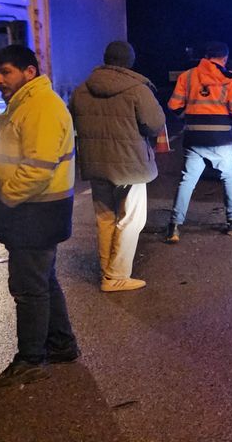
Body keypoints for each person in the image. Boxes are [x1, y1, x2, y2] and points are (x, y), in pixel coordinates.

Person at [0, 45, 79, 393]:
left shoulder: (40, 107)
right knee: (43, 280)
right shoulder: (27, 104)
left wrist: (5, 199)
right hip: (37, 209)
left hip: (34, 210)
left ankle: (30, 361)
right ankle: (61, 344)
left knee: (28, 288)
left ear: (29, 72)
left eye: (6, 72)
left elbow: (37, 169)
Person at [69, 41, 166, 292]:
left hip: (96, 162)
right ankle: (117, 275)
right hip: (130, 164)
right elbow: (155, 123)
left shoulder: (82, 90)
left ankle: (107, 271)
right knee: (131, 218)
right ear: (129, 62)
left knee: (105, 218)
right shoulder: (137, 89)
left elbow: (73, 122)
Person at [166, 41, 232, 242]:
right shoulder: (229, 79)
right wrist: (231, 124)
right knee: (230, 178)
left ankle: (174, 227)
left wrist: (188, 119)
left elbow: (173, 105)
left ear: (205, 56)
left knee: (187, 180)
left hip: (194, 138)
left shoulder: (187, 77)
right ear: (224, 58)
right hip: (221, 139)